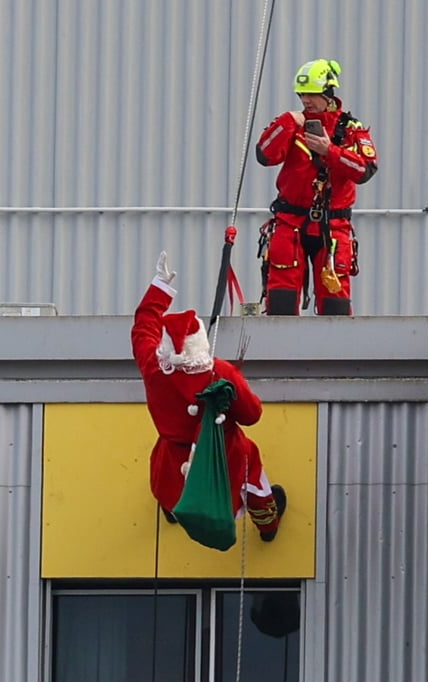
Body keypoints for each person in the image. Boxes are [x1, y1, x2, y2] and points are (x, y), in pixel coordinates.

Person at [131, 251, 287, 541]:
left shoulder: (153, 367)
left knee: (170, 481)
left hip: (173, 452)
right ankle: (268, 525)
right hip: (224, 454)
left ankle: (174, 506)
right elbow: (252, 415)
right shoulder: (220, 372)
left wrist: (159, 287)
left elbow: (142, 327)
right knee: (254, 482)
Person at [256, 58, 378, 316]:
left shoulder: (350, 129)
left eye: (311, 94)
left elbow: (364, 170)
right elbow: (265, 156)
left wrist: (329, 151)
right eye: (302, 95)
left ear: (328, 93)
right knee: (281, 300)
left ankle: (335, 355)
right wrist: (288, 122)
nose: (306, 100)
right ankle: (280, 354)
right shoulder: (292, 125)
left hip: (333, 227)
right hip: (290, 222)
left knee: (335, 303)